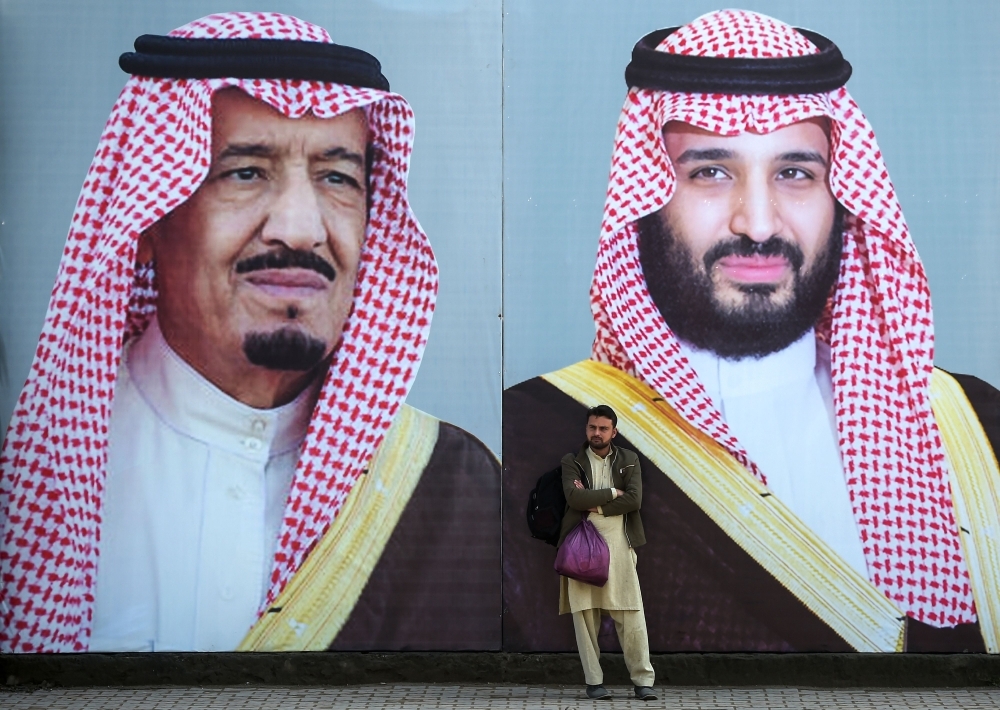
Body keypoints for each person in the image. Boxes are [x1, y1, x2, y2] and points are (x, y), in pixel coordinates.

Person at [0, 12, 500, 654]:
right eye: (245, 171)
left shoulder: (454, 488)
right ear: (148, 222)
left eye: (337, 178)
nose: (300, 228)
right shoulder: (33, 487)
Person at [503, 9, 1000, 654]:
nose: (759, 223)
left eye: (795, 173)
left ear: (842, 196)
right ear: (645, 199)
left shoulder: (978, 429)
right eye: (710, 171)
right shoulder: (528, 444)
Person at [560, 405, 655, 700]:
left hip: (619, 542)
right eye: (592, 428)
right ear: (586, 429)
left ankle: (643, 682)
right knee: (586, 615)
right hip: (580, 543)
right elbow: (574, 498)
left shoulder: (629, 459)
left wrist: (597, 505)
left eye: (603, 428)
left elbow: (635, 500)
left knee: (630, 612)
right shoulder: (572, 461)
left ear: (614, 431)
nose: (596, 433)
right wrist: (614, 493)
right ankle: (594, 682)